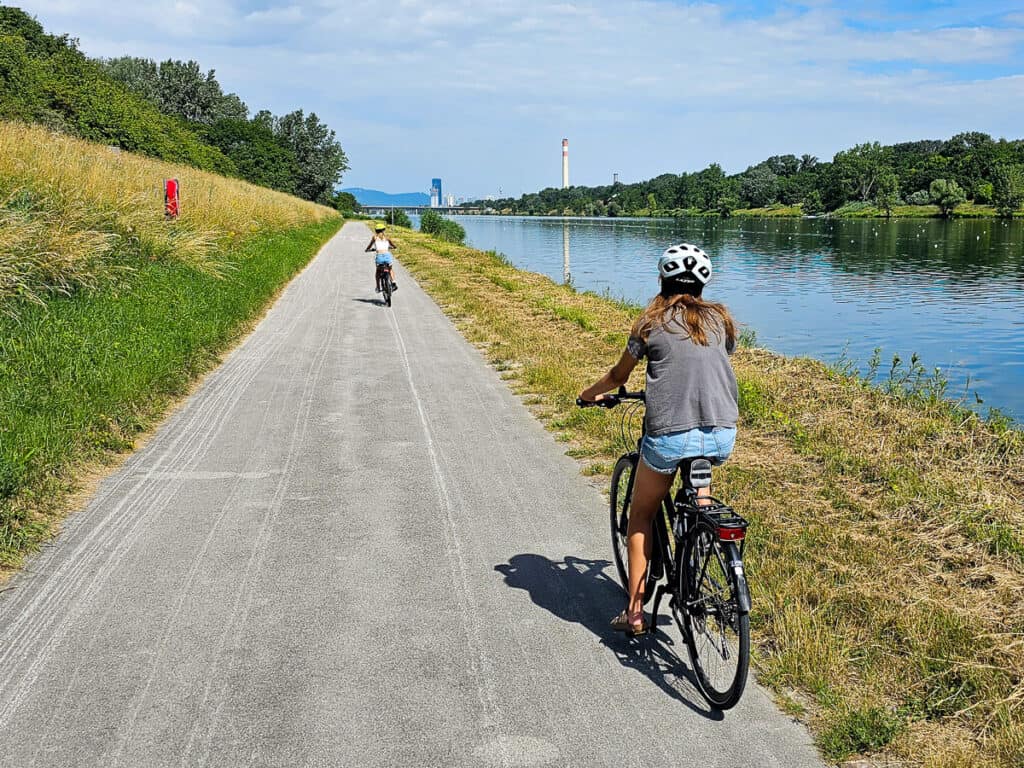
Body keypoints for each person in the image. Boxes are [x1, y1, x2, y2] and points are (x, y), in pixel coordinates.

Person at [578, 243, 739, 636]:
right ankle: (700, 547)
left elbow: (619, 377)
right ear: (704, 283)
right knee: (699, 493)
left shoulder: (649, 323)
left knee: (641, 516)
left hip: (669, 436)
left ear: (662, 280)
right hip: (722, 433)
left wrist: (588, 394)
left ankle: (634, 612)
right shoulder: (722, 321)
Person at [365, 223, 398, 293]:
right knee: (390, 269)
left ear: (376, 230)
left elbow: (370, 245)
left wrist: (367, 249)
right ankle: (394, 283)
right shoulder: (387, 237)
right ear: (383, 230)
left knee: (378, 271)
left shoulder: (374, 237)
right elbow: (393, 245)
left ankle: (378, 287)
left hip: (379, 257)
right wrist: (394, 247)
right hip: (387, 256)